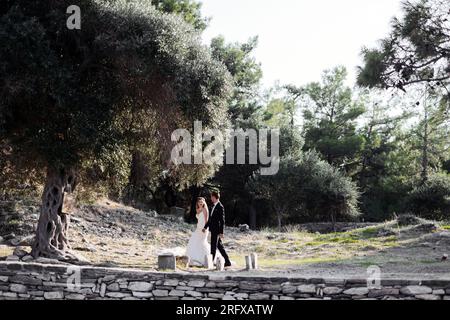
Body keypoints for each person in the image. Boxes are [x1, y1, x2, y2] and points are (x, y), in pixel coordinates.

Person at [202, 191, 231, 267]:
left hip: (217, 230)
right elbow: (210, 219)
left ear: (214, 197)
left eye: (211, 197)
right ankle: (227, 261)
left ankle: (210, 263)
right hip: (213, 229)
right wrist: (205, 227)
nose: (211, 198)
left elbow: (222, 221)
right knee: (220, 246)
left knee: (213, 246)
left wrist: (221, 232)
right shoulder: (213, 206)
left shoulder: (220, 207)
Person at [186, 197, 210, 267]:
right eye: (199, 202)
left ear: (203, 203)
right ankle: (193, 257)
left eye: (202, 202)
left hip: (204, 229)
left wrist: (205, 228)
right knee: (193, 241)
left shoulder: (205, 209)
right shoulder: (198, 209)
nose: (200, 203)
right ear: (197, 203)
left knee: (201, 242)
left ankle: (203, 259)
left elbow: (207, 220)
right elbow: (199, 218)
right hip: (198, 228)